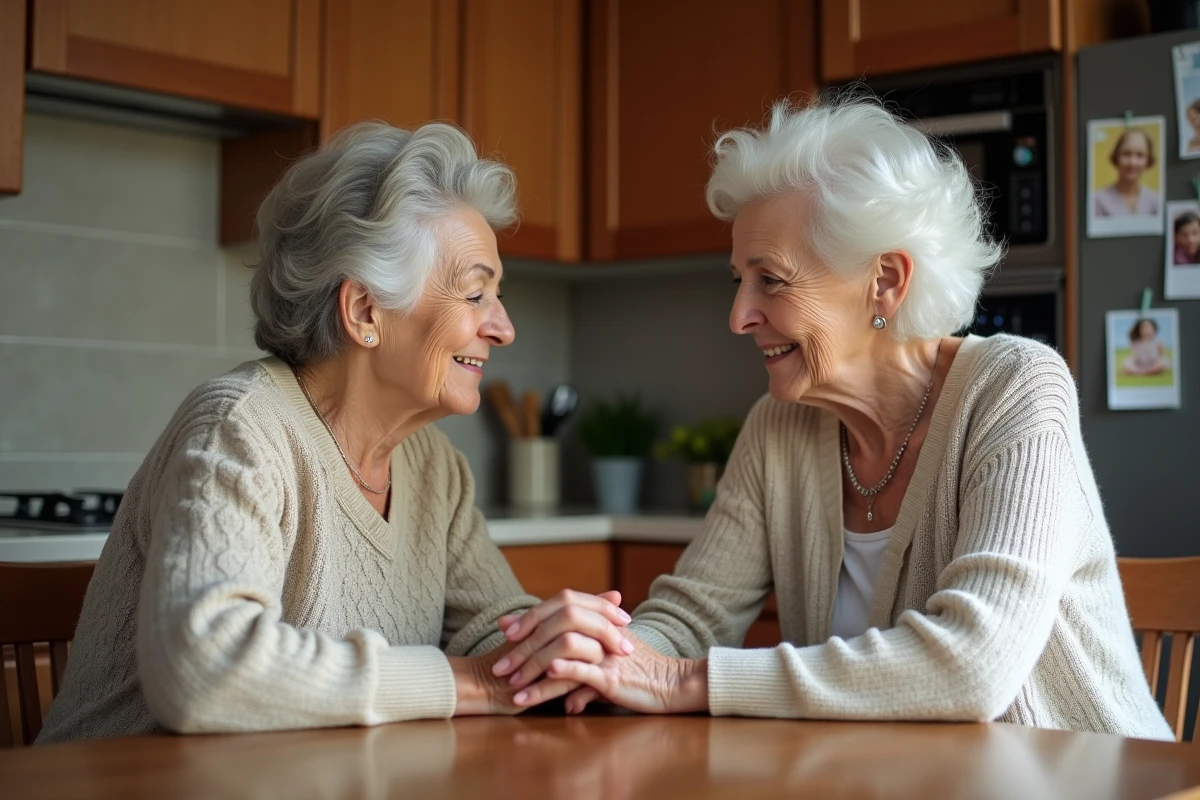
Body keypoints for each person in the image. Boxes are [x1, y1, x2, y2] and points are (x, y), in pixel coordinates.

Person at [494, 97, 1174, 741]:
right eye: (739, 281)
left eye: (771, 280)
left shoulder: (1015, 389)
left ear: (886, 281)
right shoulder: (779, 428)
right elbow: (692, 616)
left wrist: (680, 680)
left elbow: (974, 665)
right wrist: (601, 655)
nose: (739, 317)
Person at [37, 121, 630, 743]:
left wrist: (559, 650)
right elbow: (205, 671)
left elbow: (494, 634)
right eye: (476, 295)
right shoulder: (240, 428)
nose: (503, 328)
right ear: (365, 311)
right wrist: (475, 682)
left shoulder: (433, 467)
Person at [1093, 128, 1160, 218]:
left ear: (1148, 160)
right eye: (1126, 154)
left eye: (1139, 155)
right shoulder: (1097, 201)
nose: (1132, 162)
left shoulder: (1156, 201)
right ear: (1116, 157)